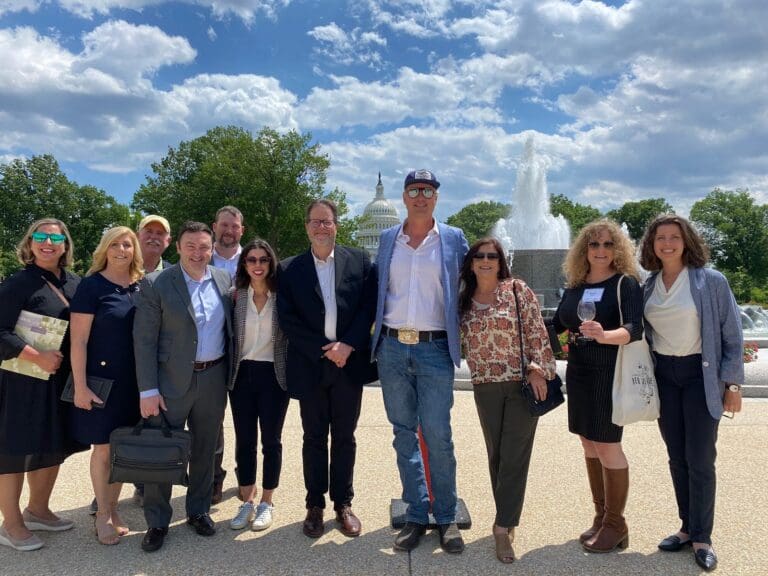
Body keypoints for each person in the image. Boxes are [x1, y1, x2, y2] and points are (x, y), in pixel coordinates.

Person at [371, 169, 469, 554]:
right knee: (402, 433)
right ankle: (416, 512)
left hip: (435, 348)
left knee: (438, 434)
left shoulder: (453, 238)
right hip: (393, 347)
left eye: (428, 190)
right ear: (404, 196)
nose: (421, 196)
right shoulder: (386, 239)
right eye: (414, 190)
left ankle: (445, 516)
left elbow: (471, 284)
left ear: (436, 197)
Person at [639, 214, 743, 572]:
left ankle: (703, 537)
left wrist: (733, 384)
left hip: (701, 375)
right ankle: (686, 527)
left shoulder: (710, 281)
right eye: (660, 238)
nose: (667, 243)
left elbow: (732, 336)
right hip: (665, 376)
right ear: (651, 245)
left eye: (674, 237)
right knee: (676, 457)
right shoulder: (648, 285)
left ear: (687, 242)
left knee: (700, 458)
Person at [277, 199, 377, 539]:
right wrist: (325, 350)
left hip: (349, 364)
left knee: (345, 438)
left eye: (327, 221)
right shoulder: (289, 268)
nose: (321, 227)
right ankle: (315, 505)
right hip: (312, 365)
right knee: (314, 438)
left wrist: (347, 345)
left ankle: (343, 504)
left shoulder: (359, 261)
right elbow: (288, 319)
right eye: (315, 222)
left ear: (336, 225)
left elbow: (367, 307)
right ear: (306, 226)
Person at [132, 221, 232, 552]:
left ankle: (198, 510)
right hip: (169, 383)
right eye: (191, 246)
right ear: (178, 247)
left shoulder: (223, 279)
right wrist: (148, 390)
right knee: (162, 453)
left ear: (212, 248)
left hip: (213, 378)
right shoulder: (156, 283)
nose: (198, 253)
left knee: (205, 449)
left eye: (204, 247)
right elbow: (144, 340)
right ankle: (158, 520)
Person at [459, 237, 556, 563]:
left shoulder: (517, 290)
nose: (486, 261)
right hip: (484, 385)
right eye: (479, 256)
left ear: (501, 262)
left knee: (514, 455)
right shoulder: (464, 299)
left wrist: (538, 369)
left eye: (492, 256)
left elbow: (536, 330)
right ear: (471, 263)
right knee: (496, 455)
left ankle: (502, 528)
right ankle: (507, 514)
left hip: (519, 383)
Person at [551, 218, 643, 553]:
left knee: (607, 445)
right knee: (588, 443)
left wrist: (605, 336)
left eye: (608, 244)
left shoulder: (625, 283)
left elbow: (635, 327)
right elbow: (559, 321)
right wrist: (550, 345)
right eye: (594, 244)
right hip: (578, 371)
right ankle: (602, 517)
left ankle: (616, 524)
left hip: (609, 369)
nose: (600, 250)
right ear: (583, 249)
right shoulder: (575, 285)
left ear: (618, 248)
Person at [0, 218, 84, 551]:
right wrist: (36, 356)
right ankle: (10, 524)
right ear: (30, 243)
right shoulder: (18, 283)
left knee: (52, 445)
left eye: (54, 238)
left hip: (59, 380)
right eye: (40, 236)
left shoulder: (75, 283)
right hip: (23, 380)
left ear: (65, 245)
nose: (47, 242)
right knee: (14, 451)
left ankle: (38, 509)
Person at [69, 227, 143, 545]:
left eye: (127, 244)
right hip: (101, 381)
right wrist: (81, 387)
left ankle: (114, 509)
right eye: (115, 244)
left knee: (121, 450)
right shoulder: (92, 286)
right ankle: (101, 515)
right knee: (103, 449)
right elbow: (79, 341)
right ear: (105, 249)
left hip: (134, 382)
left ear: (134, 250)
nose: (121, 249)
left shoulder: (142, 286)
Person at [228, 238, 289, 532]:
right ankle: (247, 501)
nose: (257, 265)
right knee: (245, 441)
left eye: (263, 260)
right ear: (244, 264)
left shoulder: (283, 296)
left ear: (271, 263)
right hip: (242, 375)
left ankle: (267, 502)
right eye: (251, 260)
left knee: (271, 441)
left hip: (273, 375)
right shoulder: (236, 296)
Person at [209, 205, 245, 502]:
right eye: (224, 225)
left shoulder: (255, 259)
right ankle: (213, 477)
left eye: (234, 226)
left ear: (241, 230)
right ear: (214, 227)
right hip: (213, 351)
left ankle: (246, 478)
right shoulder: (198, 257)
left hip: (247, 353)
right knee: (212, 421)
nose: (228, 231)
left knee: (247, 422)